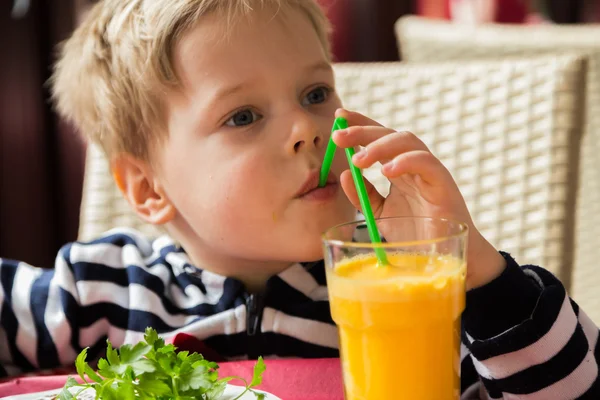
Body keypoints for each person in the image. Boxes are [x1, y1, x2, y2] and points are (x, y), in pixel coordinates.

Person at [1, 0, 598, 398]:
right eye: (244, 115)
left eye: (315, 92)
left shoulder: (411, 296)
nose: (307, 129)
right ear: (149, 189)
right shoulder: (101, 291)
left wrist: (481, 276)